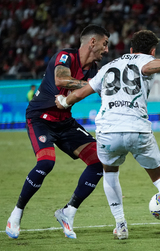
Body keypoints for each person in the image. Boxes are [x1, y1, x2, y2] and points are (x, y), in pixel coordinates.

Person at [55, 30, 160, 241]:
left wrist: (64, 102)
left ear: (131, 48)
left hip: (108, 130)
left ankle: (121, 226)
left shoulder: (107, 67)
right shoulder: (147, 60)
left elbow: (83, 91)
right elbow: (148, 66)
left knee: (110, 173)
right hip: (137, 128)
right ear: (152, 51)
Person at [6, 24, 110, 239]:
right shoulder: (65, 57)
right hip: (40, 118)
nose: (106, 49)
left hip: (65, 122)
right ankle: (16, 213)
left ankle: (68, 212)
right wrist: (94, 85)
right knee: (46, 162)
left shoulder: (93, 71)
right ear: (92, 42)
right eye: (105, 44)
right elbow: (61, 80)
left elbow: (96, 92)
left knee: (99, 161)